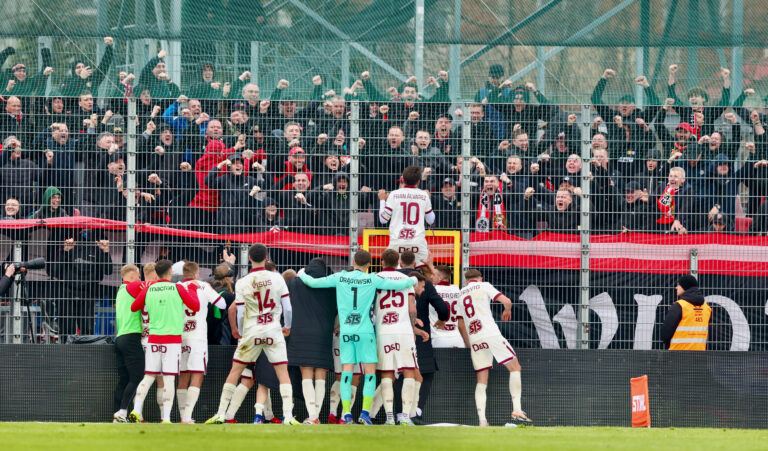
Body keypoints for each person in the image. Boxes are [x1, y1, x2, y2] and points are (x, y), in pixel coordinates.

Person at [299, 249, 416, 425]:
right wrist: (413, 279)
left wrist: (301, 273)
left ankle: (346, 413)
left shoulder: (339, 277)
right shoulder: (372, 278)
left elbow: (313, 283)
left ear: (353, 262)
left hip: (346, 332)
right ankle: (364, 413)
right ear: (369, 264)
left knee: (347, 371)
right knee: (369, 373)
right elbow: (399, 285)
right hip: (365, 332)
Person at [206, 244, 299, 425]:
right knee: (282, 372)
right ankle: (288, 415)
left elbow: (240, 312)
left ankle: (221, 413)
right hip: (273, 329)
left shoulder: (242, 282)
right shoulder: (277, 278)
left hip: (252, 332)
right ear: (267, 257)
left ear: (249, 258)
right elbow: (287, 307)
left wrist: (240, 331)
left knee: (236, 371)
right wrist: (287, 326)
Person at [456, 268, 532, 427]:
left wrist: (469, 343)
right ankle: (517, 410)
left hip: (475, 337)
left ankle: (482, 420)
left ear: (466, 280)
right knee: (515, 367)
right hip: (490, 333)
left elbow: (460, 322)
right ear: (480, 278)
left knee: (481, 379)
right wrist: (507, 310)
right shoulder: (484, 286)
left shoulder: (460, 293)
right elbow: (507, 301)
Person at [128, 259, 201, 423]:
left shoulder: (149, 289)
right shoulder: (178, 288)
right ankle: (166, 418)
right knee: (169, 378)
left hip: (153, 339)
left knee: (148, 376)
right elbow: (195, 306)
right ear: (169, 272)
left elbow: (134, 307)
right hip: (172, 340)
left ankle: (136, 410)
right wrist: (194, 290)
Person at [374, 250, 427, 425]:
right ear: (398, 262)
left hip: (384, 330)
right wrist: (413, 330)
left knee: (387, 374)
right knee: (409, 371)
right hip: (403, 330)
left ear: (382, 262)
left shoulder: (376, 278)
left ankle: (389, 417)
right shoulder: (406, 281)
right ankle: (405, 416)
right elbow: (412, 309)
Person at [285, 258, 337, 424]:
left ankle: (312, 415)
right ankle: (315, 416)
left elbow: (286, 306)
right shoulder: (330, 285)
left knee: (306, 374)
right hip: (323, 333)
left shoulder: (293, 284)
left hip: (300, 333)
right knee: (321, 375)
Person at [176, 261, 226, 424]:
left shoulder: (177, 286)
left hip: (181, 335)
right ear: (196, 273)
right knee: (197, 373)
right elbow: (222, 304)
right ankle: (187, 416)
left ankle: (182, 415)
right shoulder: (203, 286)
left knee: (183, 374)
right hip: (197, 336)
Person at [379, 166, 435, 266]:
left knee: (393, 271)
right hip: (417, 241)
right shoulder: (424, 195)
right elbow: (431, 220)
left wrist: (382, 200)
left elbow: (383, 220)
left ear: (403, 180)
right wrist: (428, 199)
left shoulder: (394, 194)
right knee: (424, 270)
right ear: (418, 181)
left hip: (397, 241)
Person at [112, 264, 147, 423]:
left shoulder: (120, 291)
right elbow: (152, 284)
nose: (140, 278)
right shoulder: (133, 286)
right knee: (138, 376)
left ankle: (117, 414)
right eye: (139, 275)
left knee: (124, 379)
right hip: (132, 336)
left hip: (120, 337)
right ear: (133, 274)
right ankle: (123, 411)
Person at [661, 275, 711, 351]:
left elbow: (666, 332)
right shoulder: (706, 307)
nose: (676, 287)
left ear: (685, 286)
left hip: (678, 354)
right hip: (700, 353)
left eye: (678, 285)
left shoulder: (679, 306)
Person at [430, 265, 469, 349]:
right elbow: (461, 322)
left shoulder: (432, 291)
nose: (431, 276)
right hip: (457, 338)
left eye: (433, 274)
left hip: (438, 338)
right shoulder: (458, 291)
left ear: (440, 277)